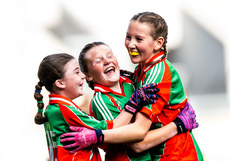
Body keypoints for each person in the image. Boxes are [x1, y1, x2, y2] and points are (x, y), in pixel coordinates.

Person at [60, 41, 200, 160]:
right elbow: (136, 143)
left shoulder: (132, 81)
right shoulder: (101, 101)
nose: (107, 60)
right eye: (98, 61)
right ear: (89, 76)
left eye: (109, 55)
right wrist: (179, 125)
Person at [34, 53, 160, 161]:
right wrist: (134, 102)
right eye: (77, 72)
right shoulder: (63, 109)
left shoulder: (52, 109)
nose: (82, 76)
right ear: (60, 83)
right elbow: (111, 128)